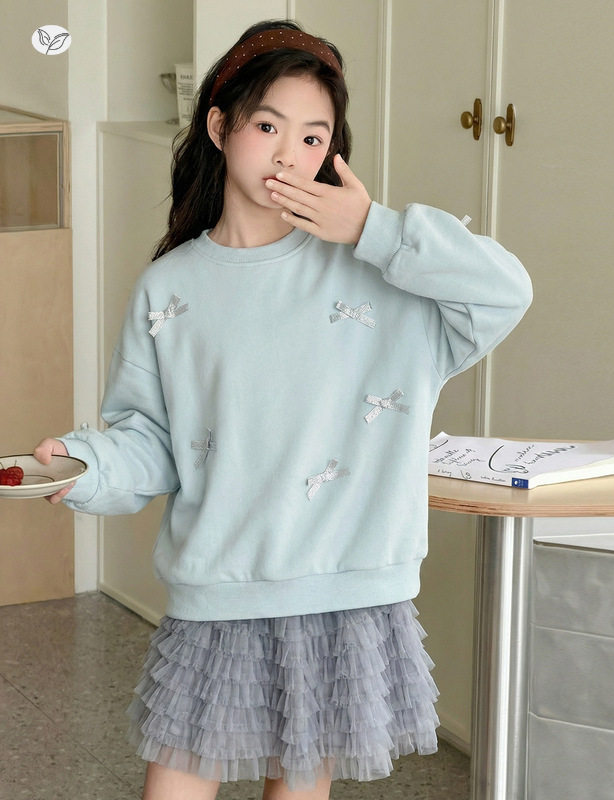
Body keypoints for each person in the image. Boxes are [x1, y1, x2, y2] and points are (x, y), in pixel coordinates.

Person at [34, 19, 532, 800]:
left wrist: (373, 229)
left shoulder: (385, 274)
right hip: (220, 586)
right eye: (268, 126)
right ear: (220, 126)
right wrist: (85, 465)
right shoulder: (171, 287)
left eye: (312, 137)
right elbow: (153, 440)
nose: (288, 154)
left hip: (341, 592)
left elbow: (506, 291)